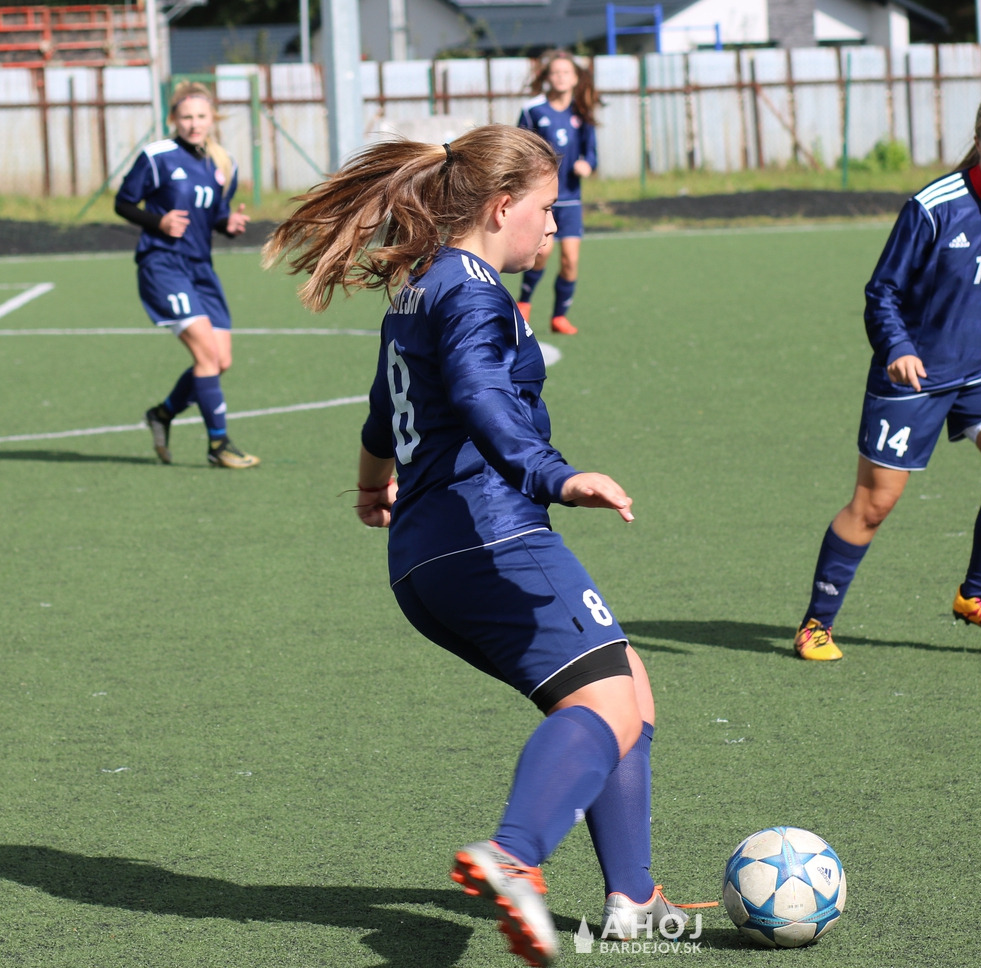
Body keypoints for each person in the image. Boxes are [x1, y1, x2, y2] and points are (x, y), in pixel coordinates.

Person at [263, 125, 698, 967]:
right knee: (606, 704)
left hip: (425, 557)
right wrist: (555, 475)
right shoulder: (471, 292)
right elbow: (477, 394)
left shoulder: (421, 287)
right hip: (491, 535)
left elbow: (383, 412)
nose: (554, 224)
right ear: (501, 207)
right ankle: (515, 854)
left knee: (630, 691)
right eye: (546, 207)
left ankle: (635, 900)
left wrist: (370, 484)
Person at [793, 89, 981, 662]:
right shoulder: (933, 206)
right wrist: (897, 348)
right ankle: (815, 624)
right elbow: (882, 291)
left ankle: (977, 596)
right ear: (978, 142)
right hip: (915, 374)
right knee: (873, 504)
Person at [116, 81, 259, 468]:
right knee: (206, 356)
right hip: (163, 264)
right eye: (186, 117)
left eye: (201, 116)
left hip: (200, 269)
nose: (194, 124)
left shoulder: (224, 163)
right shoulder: (157, 157)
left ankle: (162, 414)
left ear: (212, 119)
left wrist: (229, 223)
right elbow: (123, 203)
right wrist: (158, 221)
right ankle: (219, 445)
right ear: (173, 119)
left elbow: (214, 215)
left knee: (220, 360)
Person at [516, 50, 599, 336]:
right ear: (547, 77)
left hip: (571, 199)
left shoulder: (582, 110)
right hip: (543, 198)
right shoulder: (533, 110)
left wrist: (587, 165)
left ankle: (559, 317)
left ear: (575, 78)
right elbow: (519, 148)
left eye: (566, 72)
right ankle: (524, 303)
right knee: (543, 252)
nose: (561, 77)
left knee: (570, 260)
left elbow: (592, 152)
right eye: (555, 72)